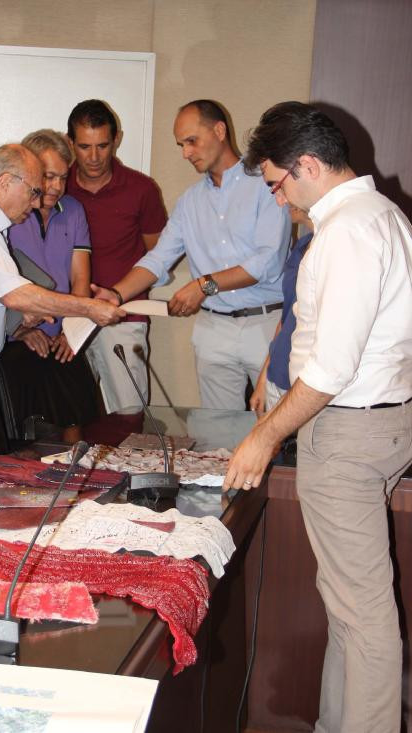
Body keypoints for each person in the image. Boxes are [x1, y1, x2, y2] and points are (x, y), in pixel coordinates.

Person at [224, 101, 412, 733]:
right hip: (383, 424)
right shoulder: (383, 214)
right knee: (349, 609)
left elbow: (330, 369)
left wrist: (264, 434)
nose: (279, 200)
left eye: (277, 184)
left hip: (347, 433)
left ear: (306, 165)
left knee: (365, 619)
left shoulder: (348, 230)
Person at [92, 99, 291, 410]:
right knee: (217, 430)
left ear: (219, 131)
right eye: (181, 145)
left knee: (274, 425)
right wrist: (116, 295)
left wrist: (203, 285)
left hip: (266, 323)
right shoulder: (190, 202)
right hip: (214, 327)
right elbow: (158, 259)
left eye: (191, 141)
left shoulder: (266, 184)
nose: (186, 153)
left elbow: (268, 262)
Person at [0, 142, 123, 369]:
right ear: (5, 182)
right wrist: (90, 308)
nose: (36, 203)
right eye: (34, 192)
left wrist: (25, 314)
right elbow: (16, 296)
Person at [66, 99, 167, 414]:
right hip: (68, 319)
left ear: (117, 140)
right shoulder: (57, 187)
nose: (94, 157)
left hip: (124, 318)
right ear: (70, 143)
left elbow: (159, 255)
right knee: (71, 417)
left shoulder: (142, 189)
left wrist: (124, 292)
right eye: (84, 147)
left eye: (103, 146)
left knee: (129, 414)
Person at [3, 129, 98, 441]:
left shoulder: (74, 210)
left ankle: (73, 471)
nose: (57, 186)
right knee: (21, 437)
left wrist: (72, 331)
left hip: (61, 334)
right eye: (48, 177)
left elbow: (80, 280)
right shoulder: (8, 214)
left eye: (63, 177)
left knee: (75, 415)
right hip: (15, 339)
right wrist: (21, 330)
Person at [250, 206, 313, 414]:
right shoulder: (302, 245)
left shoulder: (337, 248)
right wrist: (264, 377)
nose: (282, 201)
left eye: (283, 191)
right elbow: (287, 318)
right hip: (278, 375)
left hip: (306, 383)